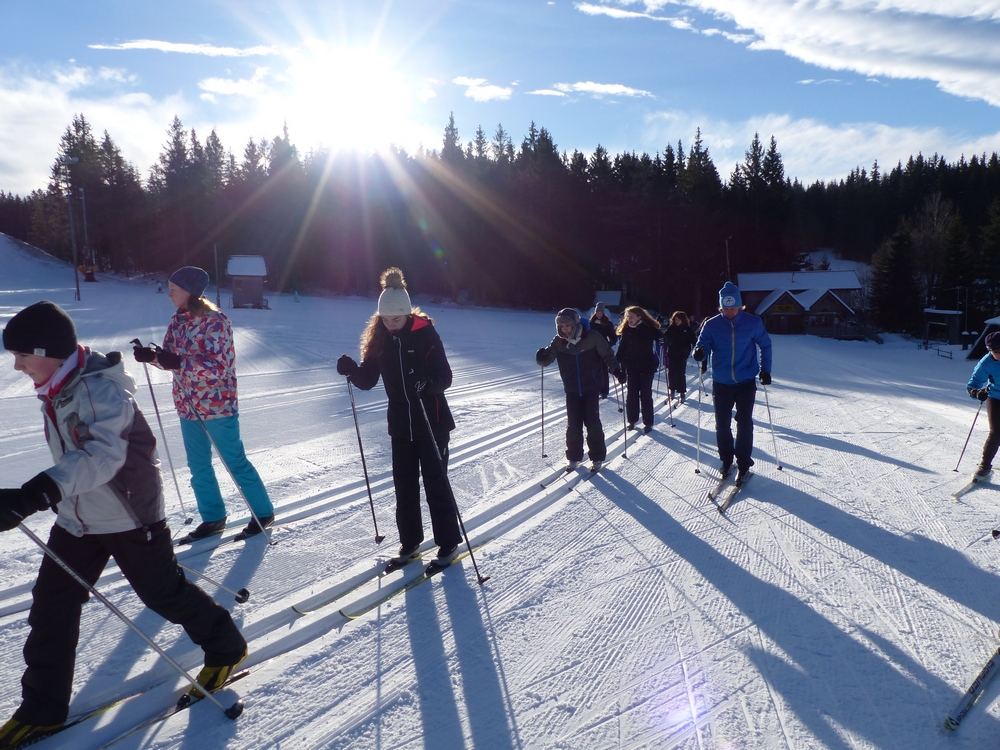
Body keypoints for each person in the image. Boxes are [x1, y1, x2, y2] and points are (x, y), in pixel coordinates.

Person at [0, 301, 247, 748]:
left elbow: (101, 456)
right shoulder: (59, 386)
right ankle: (42, 710)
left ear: (49, 351)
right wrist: (35, 496)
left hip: (130, 514)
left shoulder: (100, 391)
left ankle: (226, 647)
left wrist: (34, 494)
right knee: (52, 606)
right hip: (79, 517)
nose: (16, 365)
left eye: (21, 355)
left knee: (163, 593)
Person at [133, 266, 274, 542]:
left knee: (234, 462)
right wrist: (152, 356)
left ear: (190, 292)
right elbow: (170, 359)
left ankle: (263, 513)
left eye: (174, 289)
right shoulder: (178, 320)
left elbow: (220, 367)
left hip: (217, 405)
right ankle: (213, 517)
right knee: (198, 466)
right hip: (187, 405)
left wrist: (179, 362)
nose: (169, 294)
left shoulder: (216, 321)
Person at [336, 268, 462, 570]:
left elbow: (445, 376)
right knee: (404, 487)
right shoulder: (381, 339)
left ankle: (448, 544)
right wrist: (352, 371)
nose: (391, 325)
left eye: (396, 319)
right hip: (401, 427)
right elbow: (368, 380)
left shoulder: (426, 334)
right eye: (385, 319)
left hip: (432, 424)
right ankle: (410, 542)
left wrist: (426, 383)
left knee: (436, 485)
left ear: (407, 313)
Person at [693, 282, 772, 485]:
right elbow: (702, 345)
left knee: (744, 422)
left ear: (740, 306)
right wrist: (699, 353)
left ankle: (744, 464)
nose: (729, 312)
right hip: (721, 381)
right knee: (722, 424)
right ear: (720, 307)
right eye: (725, 308)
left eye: (733, 308)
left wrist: (765, 370)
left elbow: (765, 345)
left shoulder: (753, 322)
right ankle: (726, 459)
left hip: (746, 381)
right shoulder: (711, 325)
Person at [537, 308, 625, 472]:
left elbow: (607, 354)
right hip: (571, 389)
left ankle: (597, 457)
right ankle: (574, 457)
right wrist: (541, 357)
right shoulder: (558, 341)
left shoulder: (593, 337)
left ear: (575, 324)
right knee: (573, 425)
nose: (565, 330)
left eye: (568, 326)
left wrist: (617, 370)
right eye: (562, 327)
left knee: (592, 423)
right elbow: (547, 359)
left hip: (591, 387)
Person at [615, 306, 663, 434]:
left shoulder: (648, 328)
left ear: (639, 317)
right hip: (631, 367)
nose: (629, 319)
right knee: (632, 394)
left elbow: (661, 337)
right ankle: (632, 420)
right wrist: (615, 361)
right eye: (627, 317)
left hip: (647, 366)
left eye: (631, 316)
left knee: (646, 395)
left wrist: (663, 339)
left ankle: (648, 422)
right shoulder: (627, 330)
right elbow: (622, 348)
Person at [965, 331, 1000, 478]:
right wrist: (977, 393)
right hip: (996, 398)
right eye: (997, 352)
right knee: (996, 432)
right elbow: (972, 385)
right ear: (990, 350)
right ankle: (984, 467)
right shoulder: (986, 363)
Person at [663, 311, 698, 402]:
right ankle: (672, 389)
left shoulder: (687, 329)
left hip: (682, 354)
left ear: (683, 320)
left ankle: (682, 391)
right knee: (671, 373)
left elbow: (694, 340)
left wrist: (698, 348)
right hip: (672, 353)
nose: (677, 321)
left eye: (678, 320)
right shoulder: (671, 328)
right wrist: (663, 340)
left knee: (680, 373)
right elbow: (665, 337)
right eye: (675, 320)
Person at [589, 302, 618, 400]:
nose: (599, 314)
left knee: (603, 370)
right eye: (597, 312)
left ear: (603, 313)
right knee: (594, 370)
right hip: (592, 349)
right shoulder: (591, 323)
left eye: (601, 312)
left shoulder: (607, 323)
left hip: (603, 350)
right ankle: (595, 389)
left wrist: (608, 345)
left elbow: (613, 337)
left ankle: (604, 391)